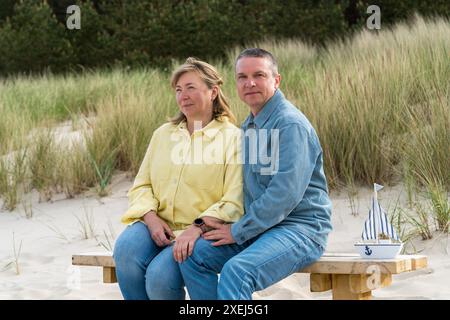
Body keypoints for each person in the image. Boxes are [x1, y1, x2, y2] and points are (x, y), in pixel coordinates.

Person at [179, 48, 333, 300]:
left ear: (276, 80)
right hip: (260, 227)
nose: (249, 83)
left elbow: (284, 195)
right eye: (242, 77)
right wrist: (204, 224)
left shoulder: (289, 125)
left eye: (258, 75)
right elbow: (241, 188)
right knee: (194, 257)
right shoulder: (249, 124)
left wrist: (238, 231)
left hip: (300, 229)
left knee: (237, 272)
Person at [113, 57, 244, 300]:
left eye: (191, 88)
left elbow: (234, 200)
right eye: (178, 90)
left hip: (197, 231)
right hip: (155, 223)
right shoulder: (163, 134)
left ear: (213, 91)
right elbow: (141, 185)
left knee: (159, 278)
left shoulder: (234, 139)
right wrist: (150, 219)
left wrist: (197, 228)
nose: (183, 95)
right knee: (125, 252)